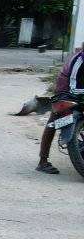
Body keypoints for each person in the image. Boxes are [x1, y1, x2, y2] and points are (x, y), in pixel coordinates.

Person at [37, 46, 84, 174]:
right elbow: (73, 87)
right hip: (66, 91)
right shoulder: (78, 61)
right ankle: (43, 161)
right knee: (54, 122)